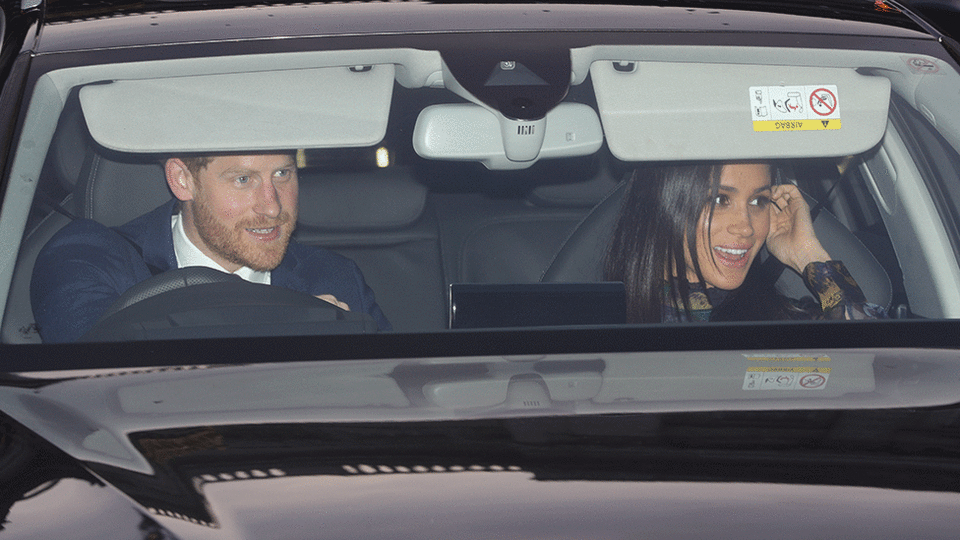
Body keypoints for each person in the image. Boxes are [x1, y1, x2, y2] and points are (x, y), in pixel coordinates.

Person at [31, 152, 390, 342]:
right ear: (182, 180)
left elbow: (387, 399)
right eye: (243, 179)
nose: (272, 207)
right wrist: (294, 323)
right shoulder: (89, 258)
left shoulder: (334, 276)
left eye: (282, 174)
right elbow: (93, 376)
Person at [604, 162, 886, 323]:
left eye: (758, 201)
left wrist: (807, 255)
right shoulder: (594, 330)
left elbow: (875, 363)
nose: (746, 227)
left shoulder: (784, 320)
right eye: (719, 200)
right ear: (663, 207)